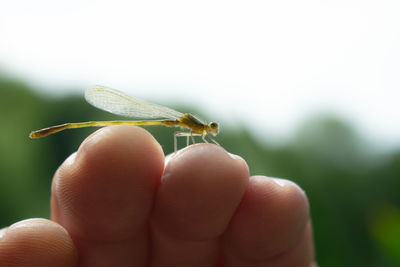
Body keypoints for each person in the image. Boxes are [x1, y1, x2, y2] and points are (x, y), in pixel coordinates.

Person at [0, 125, 317, 267]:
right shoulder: (194, 129)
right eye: (211, 130)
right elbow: (187, 139)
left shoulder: (199, 131)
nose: (212, 132)